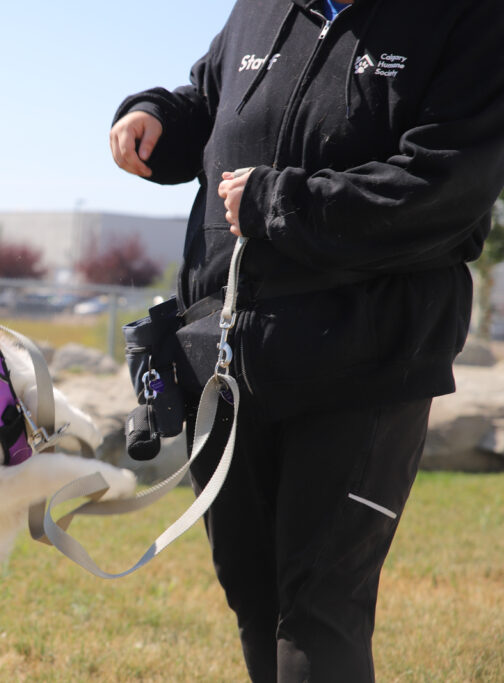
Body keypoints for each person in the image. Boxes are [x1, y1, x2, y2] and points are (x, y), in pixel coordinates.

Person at [109, 0, 504, 681]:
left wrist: (280, 202)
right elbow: (208, 102)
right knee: (253, 599)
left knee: (319, 617)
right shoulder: (259, 10)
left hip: (365, 367)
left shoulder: (467, 19)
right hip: (226, 367)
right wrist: (155, 117)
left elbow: (448, 189)